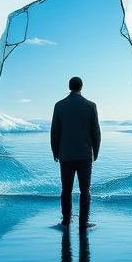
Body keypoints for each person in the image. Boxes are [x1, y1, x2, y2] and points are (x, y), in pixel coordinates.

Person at [50, 76, 101, 229]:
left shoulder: (59, 105)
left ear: (69, 86)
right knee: (85, 190)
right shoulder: (91, 106)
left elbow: (55, 132)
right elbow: (96, 132)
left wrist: (55, 152)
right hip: (84, 155)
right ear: (81, 87)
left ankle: (66, 220)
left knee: (66, 190)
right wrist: (95, 152)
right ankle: (83, 222)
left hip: (65, 155)